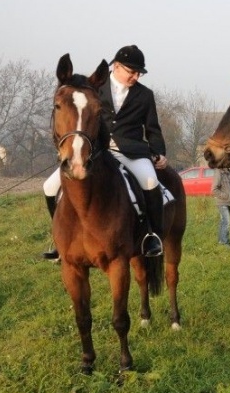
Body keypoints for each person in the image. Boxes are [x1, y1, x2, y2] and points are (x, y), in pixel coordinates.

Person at [40, 45, 168, 259]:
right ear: (116, 66)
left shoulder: (145, 95)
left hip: (132, 151)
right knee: (49, 186)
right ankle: (60, 240)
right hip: (97, 151)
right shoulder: (93, 87)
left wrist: (159, 152)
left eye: (139, 73)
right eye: (131, 71)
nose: (135, 77)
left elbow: (153, 128)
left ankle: (152, 236)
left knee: (150, 182)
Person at [211, 165, 230, 246]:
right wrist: (225, 196)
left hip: (229, 202)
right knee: (227, 222)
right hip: (222, 202)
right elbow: (214, 189)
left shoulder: (229, 173)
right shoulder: (219, 172)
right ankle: (225, 242)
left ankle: (221, 240)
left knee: (223, 222)